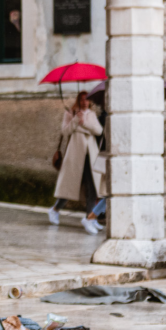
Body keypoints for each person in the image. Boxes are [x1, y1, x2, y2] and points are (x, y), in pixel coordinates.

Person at [48, 91, 104, 234]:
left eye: (87, 100)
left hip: (90, 155)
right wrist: (75, 120)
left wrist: (84, 123)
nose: (84, 102)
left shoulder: (91, 114)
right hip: (75, 154)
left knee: (92, 187)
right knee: (70, 185)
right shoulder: (70, 113)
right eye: (82, 100)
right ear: (78, 101)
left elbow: (99, 131)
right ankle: (55, 209)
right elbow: (65, 131)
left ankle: (90, 218)